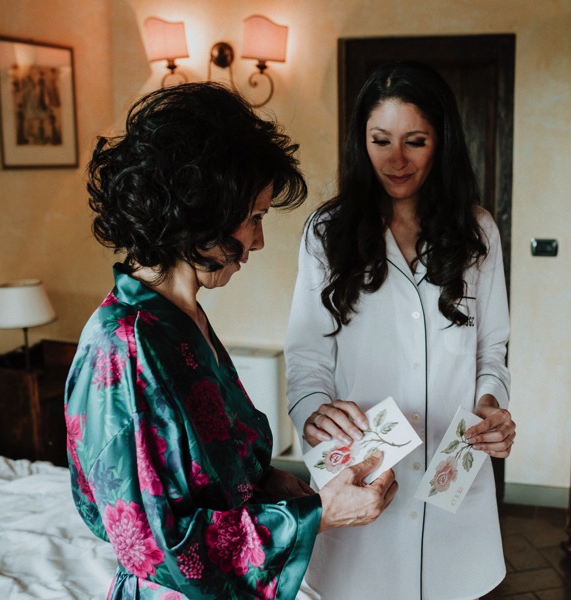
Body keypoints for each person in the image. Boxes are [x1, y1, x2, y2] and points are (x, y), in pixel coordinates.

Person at [65, 82, 398, 600]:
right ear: (203, 211)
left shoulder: (183, 317)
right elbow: (156, 549)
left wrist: (272, 486)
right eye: (255, 218)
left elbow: (205, 474)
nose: (259, 241)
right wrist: (316, 516)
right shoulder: (124, 347)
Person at [285, 62, 516, 599]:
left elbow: (492, 347)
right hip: (363, 476)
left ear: (442, 142)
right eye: (380, 140)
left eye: (415, 141)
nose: (396, 160)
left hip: (452, 479)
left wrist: (490, 403)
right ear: (360, 141)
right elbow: (307, 361)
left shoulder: (478, 232)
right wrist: (315, 414)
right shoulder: (327, 233)